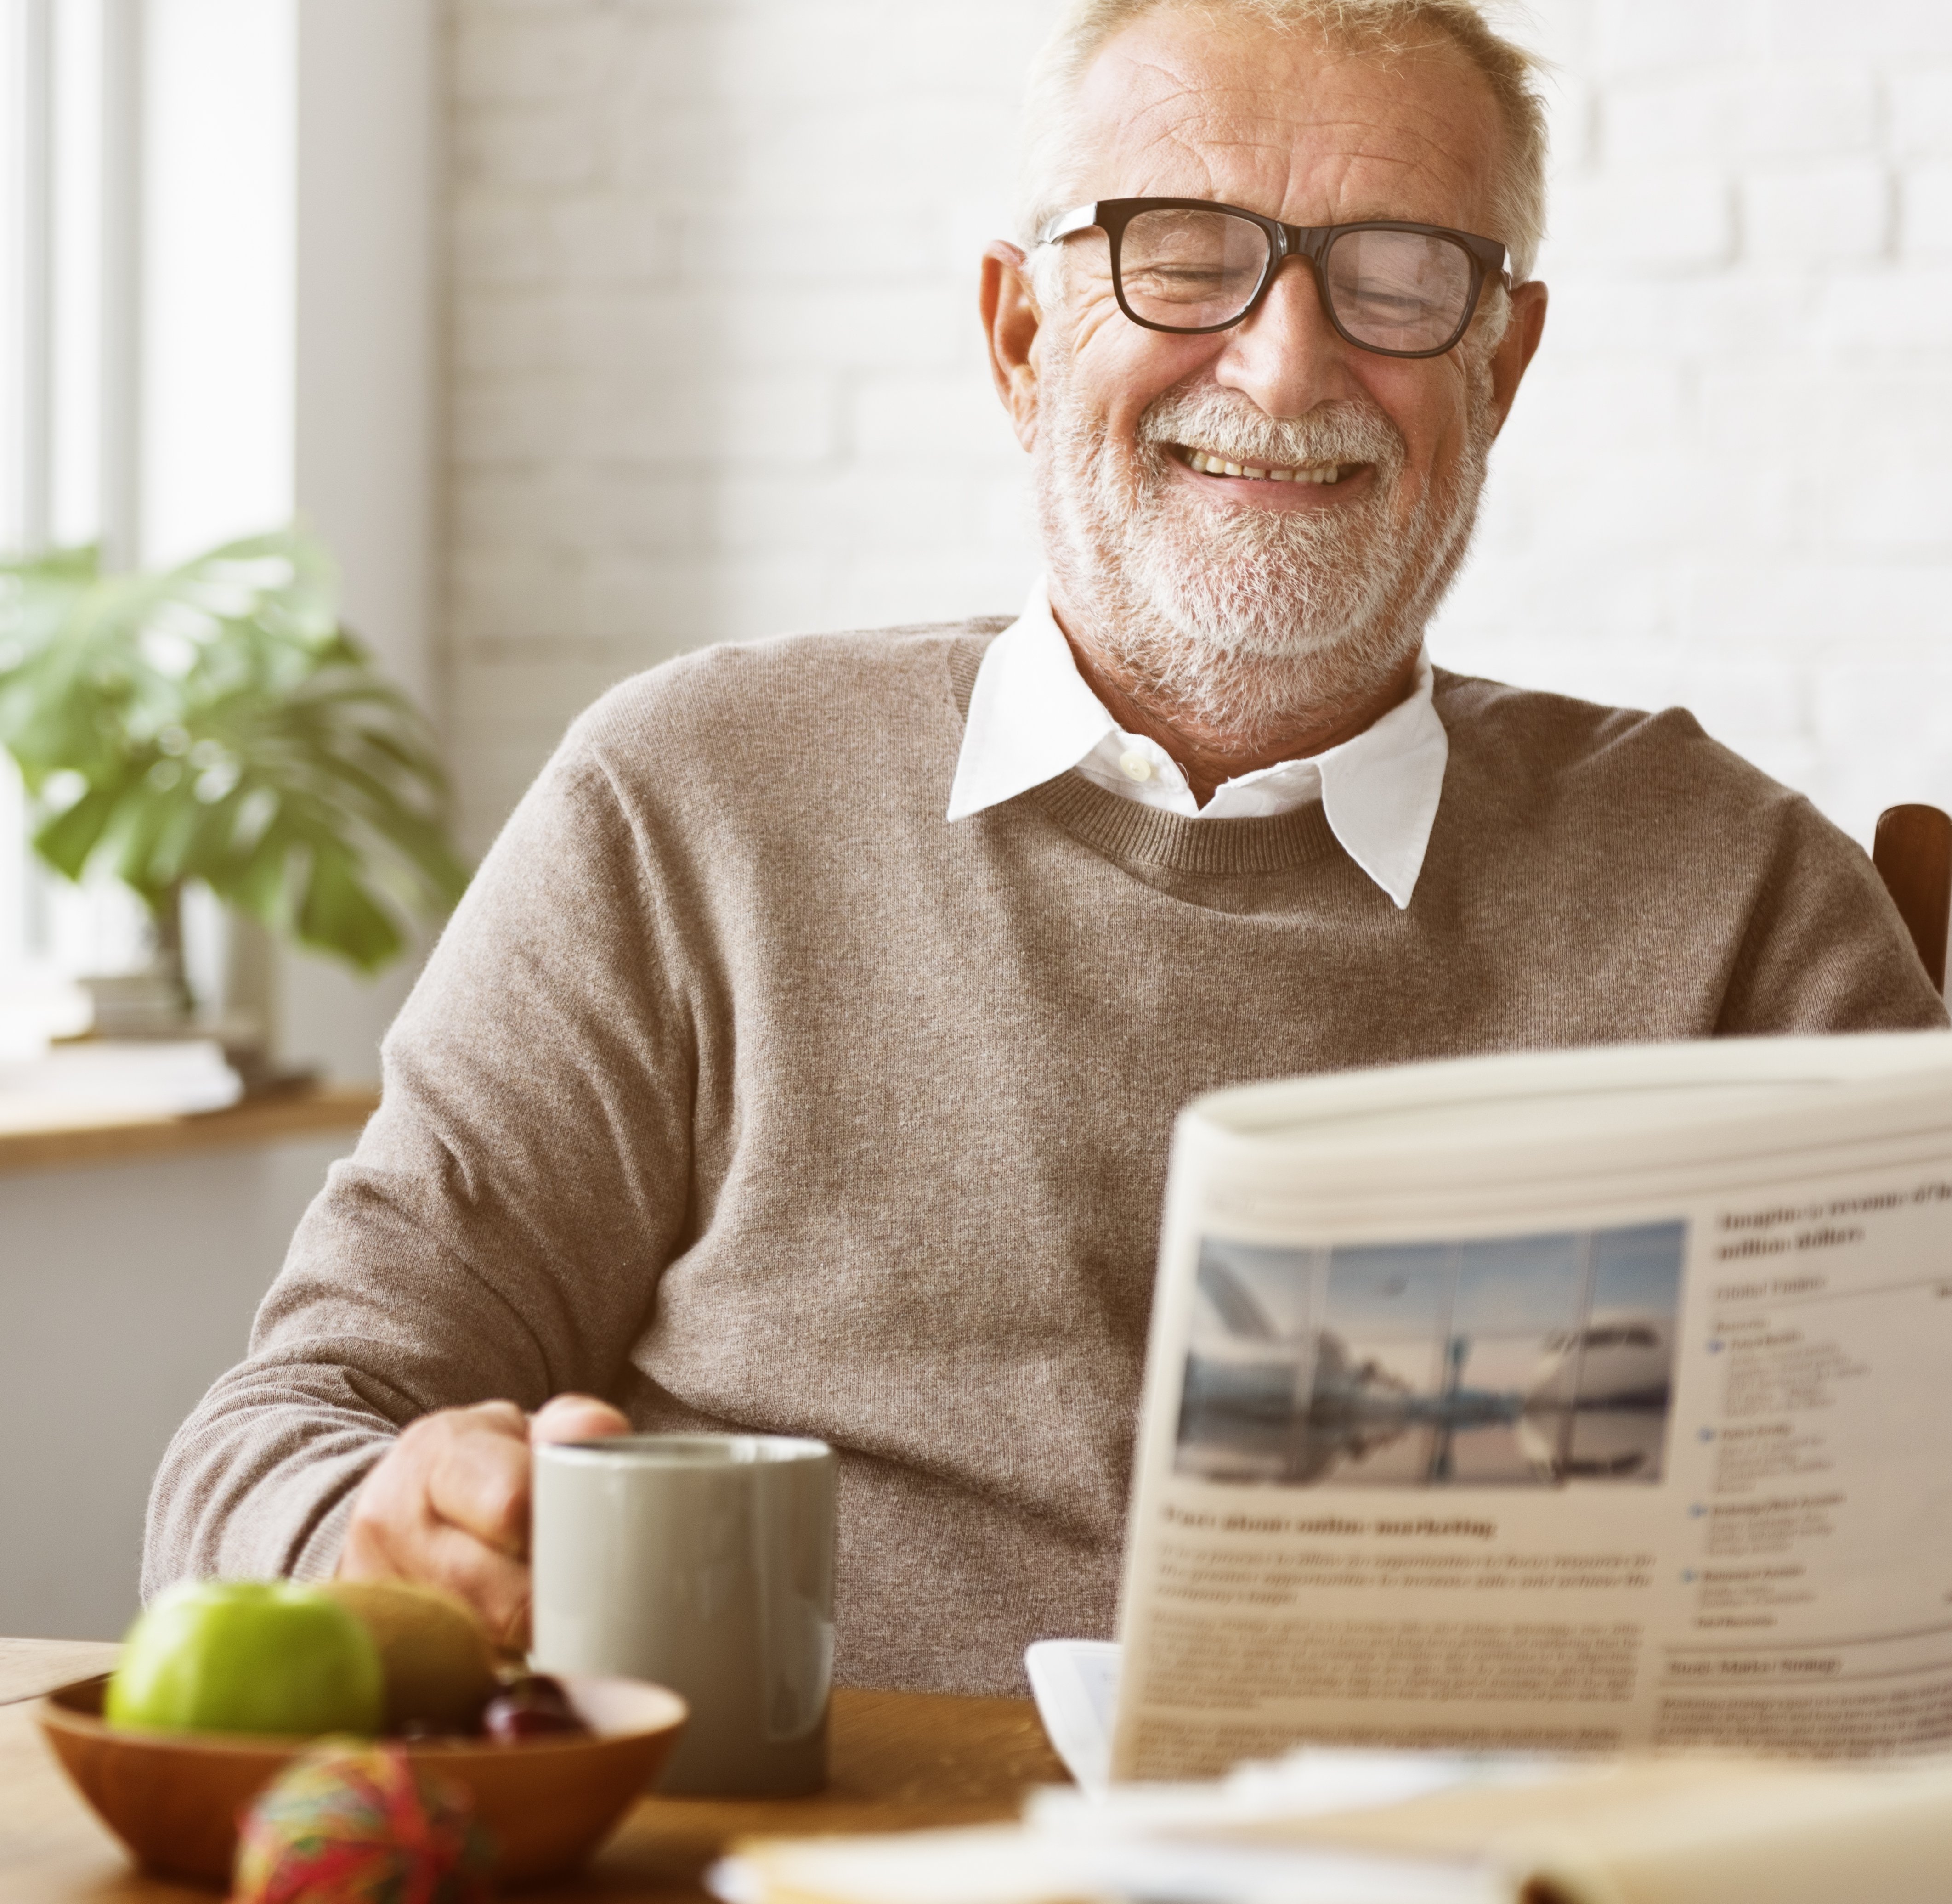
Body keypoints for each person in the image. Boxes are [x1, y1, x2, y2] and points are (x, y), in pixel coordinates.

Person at [141, 0, 1950, 1696]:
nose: (1281, 357)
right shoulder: (688, 804)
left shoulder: (1736, 899)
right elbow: (270, 1443)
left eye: (1400, 277)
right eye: (1177, 252)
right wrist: (380, 1523)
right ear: (1020, 333)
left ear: (1500, 361)